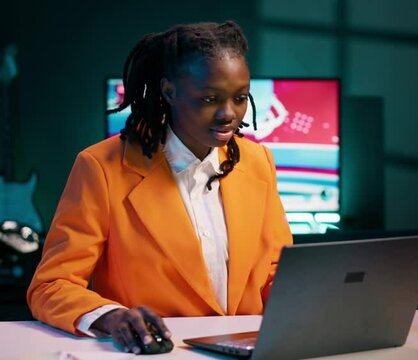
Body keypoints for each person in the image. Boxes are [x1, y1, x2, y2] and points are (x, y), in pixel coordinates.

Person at [27, 21, 293, 354]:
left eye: (240, 98)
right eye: (209, 98)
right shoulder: (101, 167)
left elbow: (275, 270)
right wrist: (112, 318)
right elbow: (51, 285)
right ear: (169, 91)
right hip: (159, 352)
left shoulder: (257, 161)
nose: (229, 114)